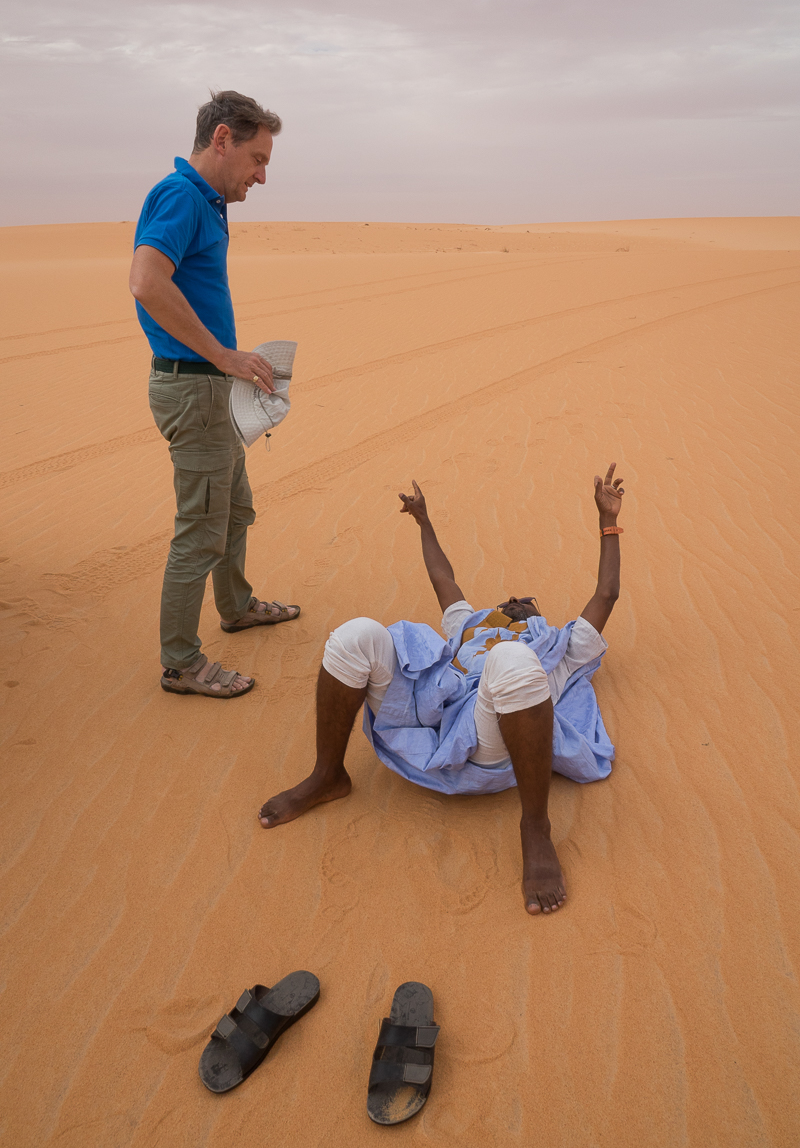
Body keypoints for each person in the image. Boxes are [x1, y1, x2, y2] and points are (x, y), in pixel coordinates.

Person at [259, 464, 625, 915]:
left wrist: (608, 522)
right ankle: (327, 775)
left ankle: (535, 828)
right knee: (354, 636)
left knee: (511, 661)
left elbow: (606, 594)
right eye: (510, 600)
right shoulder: (469, 625)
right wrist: (424, 521)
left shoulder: (562, 647)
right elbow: (443, 579)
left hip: (487, 736)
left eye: (526, 603)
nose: (516, 601)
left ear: (538, 618)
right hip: (426, 709)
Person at [129, 89, 299, 699]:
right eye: (258, 160)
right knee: (200, 529)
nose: (261, 177)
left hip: (213, 388)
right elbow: (146, 281)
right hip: (194, 391)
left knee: (234, 509)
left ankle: (237, 605)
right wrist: (224, 356)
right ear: (222, 139)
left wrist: (231, 363)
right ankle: (180, 661)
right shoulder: (181, 195)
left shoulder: (207, 202)